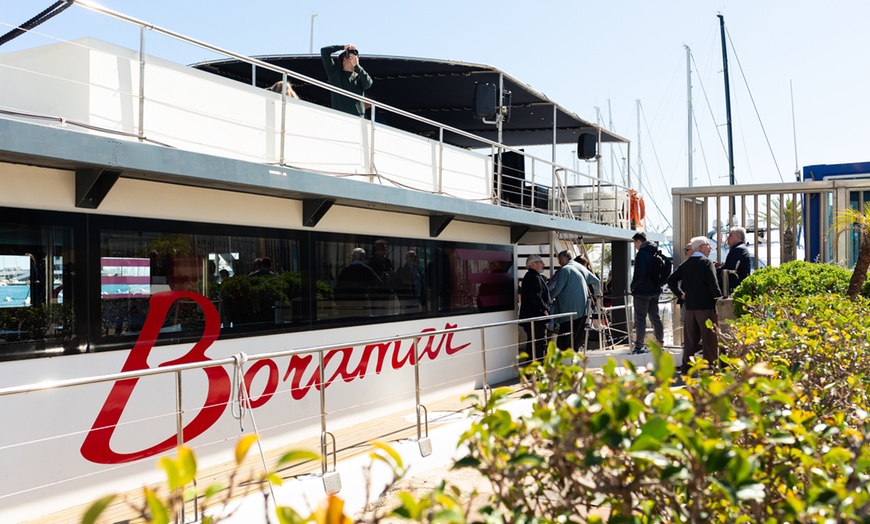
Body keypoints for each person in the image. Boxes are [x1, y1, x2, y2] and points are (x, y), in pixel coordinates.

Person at [666, 236, 722, 376]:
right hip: (706, 307)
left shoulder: (686, 264)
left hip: (690, 307)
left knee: (690, 341)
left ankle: (686, 369)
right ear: (701, 247)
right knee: (709, 340)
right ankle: (711, 369)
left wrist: (681, 294)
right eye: (708, 245)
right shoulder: (706, 263)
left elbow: (671, 280)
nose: (710, 248)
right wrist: (719, 300)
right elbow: (713, 286)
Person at [548, 251, 594, 351]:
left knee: (566, 334)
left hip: (567, 311)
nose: (559, 262)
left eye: (559, 260)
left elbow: (554, 287)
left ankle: (566, 353)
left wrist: (549, 298)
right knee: (575, 335)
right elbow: (596, 282)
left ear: (564, 259)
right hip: (581, 310)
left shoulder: (564, 270)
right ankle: (573, 352)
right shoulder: (581, 271)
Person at [629, 231, 665, 354]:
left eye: (635, 243)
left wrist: (632, 287)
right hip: (655, 290)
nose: (635, 246)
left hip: (642, 292)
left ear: (638, 241)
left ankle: (639, 346)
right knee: (655, 317)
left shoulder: (642, 254)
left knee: (640, 318)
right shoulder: (655, 252)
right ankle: (660, 342)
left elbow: (640, 274)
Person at [321, 44, 373, 116]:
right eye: (348, 55)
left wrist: (357, 66)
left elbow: (368, 83)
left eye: (355, 56)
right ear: (343, 60)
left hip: (357, 119)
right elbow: (324, 51)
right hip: (339, 116)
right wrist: (343, 47)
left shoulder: (359, 78)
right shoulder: (335, 74)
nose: (352, 57)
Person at [519, 255, 550, 364]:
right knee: (538, 344)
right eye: (541, 262)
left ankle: (533, 367)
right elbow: (536, 297)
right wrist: (544, 309)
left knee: (534, 343)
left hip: (533, 317)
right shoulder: (533, 277)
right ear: (533, 264)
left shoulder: (531, 276)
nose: (543, 265)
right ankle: (537, 368)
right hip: (536, 318)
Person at [334, 247, 383, 314]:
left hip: (347, 302)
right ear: (362, 257)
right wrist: (368, 292)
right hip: (362, 301)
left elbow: (338, 287)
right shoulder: (367, 270)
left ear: (353, 257)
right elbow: (379, 283)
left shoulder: (345, 270)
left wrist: (338, 302)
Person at [716, 226, 751, 294]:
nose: (728, 238)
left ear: (737, 237)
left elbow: (730, 268)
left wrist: (715, 270)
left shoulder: (739, 249)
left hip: (735, 287)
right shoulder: (739, 248)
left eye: (730, 235)